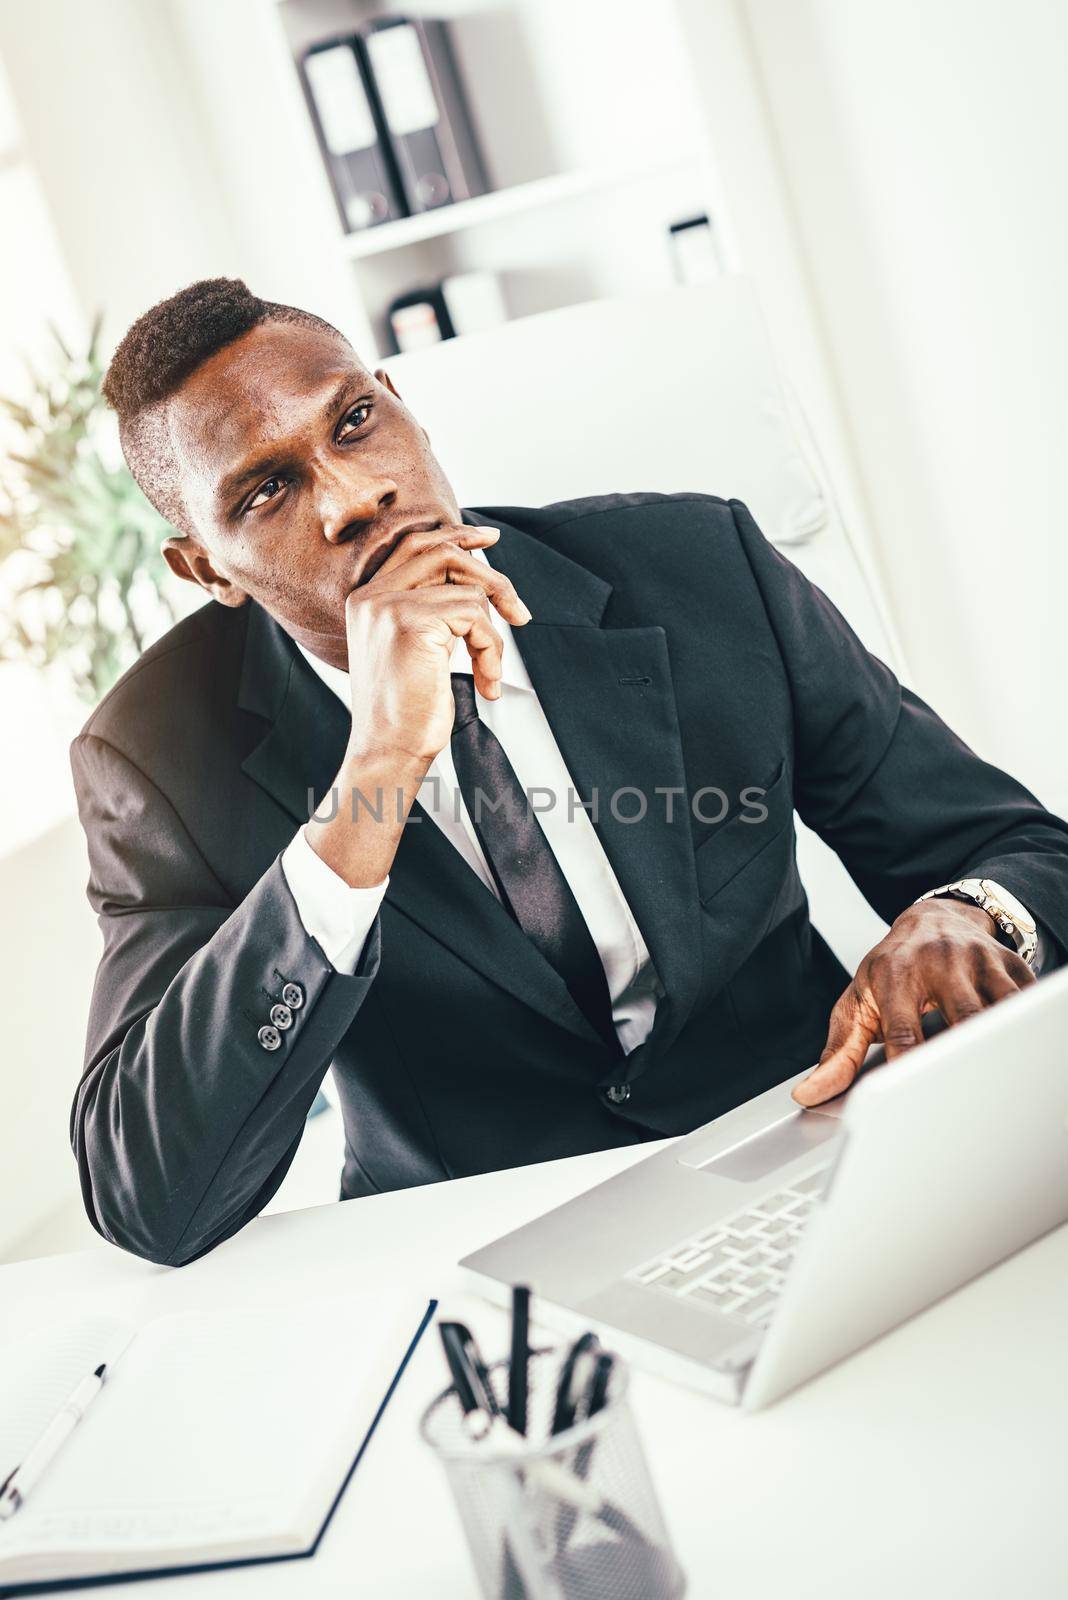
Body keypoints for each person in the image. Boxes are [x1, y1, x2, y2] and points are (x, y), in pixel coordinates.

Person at [70, 277, 1068, 1266]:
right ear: (206, 568)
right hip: (493, 1260)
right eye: (267, 488)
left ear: (402, 408)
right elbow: (150, 1195)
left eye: (356, 421)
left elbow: (1017, 848)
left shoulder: (701, 567)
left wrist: (972, 910)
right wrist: (375, 768)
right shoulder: (156, 758)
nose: (353, 495)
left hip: (811, 1152)